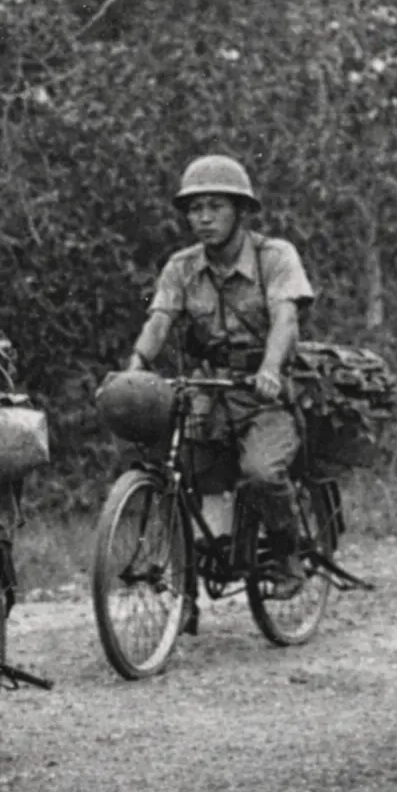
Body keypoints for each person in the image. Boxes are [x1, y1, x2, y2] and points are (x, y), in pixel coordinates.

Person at [124, 155, 315, 597]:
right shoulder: (181, 266)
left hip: (266, 394)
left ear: (240, 211)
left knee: (262, 474)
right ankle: (186, 583)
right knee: (176, 472)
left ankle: (288, 556)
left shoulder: (275, 256)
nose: (204, 218)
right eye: (195, 209)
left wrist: (269, 370)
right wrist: (136, 367)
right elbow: (160, 319)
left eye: (215, 206)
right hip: (209, 394)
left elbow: (286, 320)